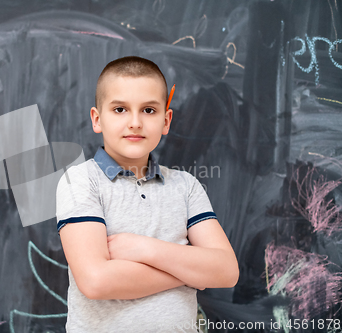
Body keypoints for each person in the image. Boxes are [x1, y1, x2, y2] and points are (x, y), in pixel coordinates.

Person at [55, 55, 239, 333]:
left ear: (166, 121)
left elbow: (226, 271)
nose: (135, 122)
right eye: (119, 109)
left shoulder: (186, 186)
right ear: (97, 119)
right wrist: (189, 272)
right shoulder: (80, 181)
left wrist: (143, 248)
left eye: (149, 111)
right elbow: (96, 281)